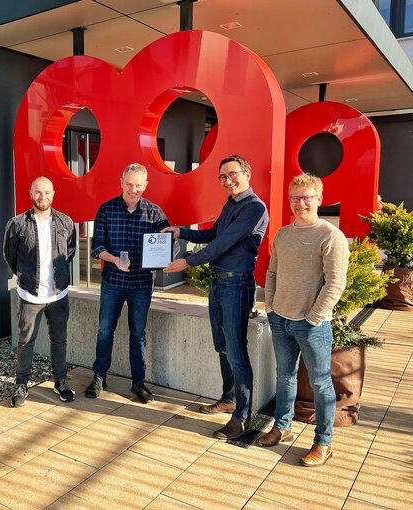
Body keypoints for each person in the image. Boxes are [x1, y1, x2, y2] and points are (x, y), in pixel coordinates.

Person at [163, 155, 269, 439]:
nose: (227, 181)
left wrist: (188, 262)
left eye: (232, 174)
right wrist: (181, 232)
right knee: (222, 346)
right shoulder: (231, 204)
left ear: (247, 173)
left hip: (236, 285)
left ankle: (242, 417)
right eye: (222, 177)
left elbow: (223, 242)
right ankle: (229, 398)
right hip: (219, 283)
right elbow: (213, 233)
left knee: (236, 351)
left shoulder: (254, 207)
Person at [257, 173, 349, 467]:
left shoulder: (330, 236)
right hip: (280, 319)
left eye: (306, 197)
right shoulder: (283, 234)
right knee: (284, 376)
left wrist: (313, 317)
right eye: (295, 198)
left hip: (312, 325)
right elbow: (272, 272)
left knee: (321, 384)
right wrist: (271, 307)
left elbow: (336, 282)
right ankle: (282, 427)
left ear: (319, 199)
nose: (300, 203)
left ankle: (324, 442)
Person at [85, 163, 172, 404]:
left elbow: (168, 245)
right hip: (113, 282)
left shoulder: (155, 213)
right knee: (105, 332)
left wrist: (164, 255)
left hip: (142, 284)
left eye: (138, 185)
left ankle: (138, 382)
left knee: (138, 335)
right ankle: (99, 377)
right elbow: (97, 246)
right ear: (121, 183)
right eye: (129, 184)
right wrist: (114, 259)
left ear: (146, 185)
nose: (134, 189)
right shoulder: (106, 209)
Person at [3, 176, 77, 407]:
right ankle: (21, 384)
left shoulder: (66, 222)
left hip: (58, 295)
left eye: (46, 192)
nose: (42, 196)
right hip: (30, 295)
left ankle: (60, 382)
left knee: (59, 340)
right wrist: (26, 277)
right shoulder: (17, 224)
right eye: (37, 192)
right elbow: (9, 255)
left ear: (53, 194)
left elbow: (69, 252)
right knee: (25, 341)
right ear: (30, 193)